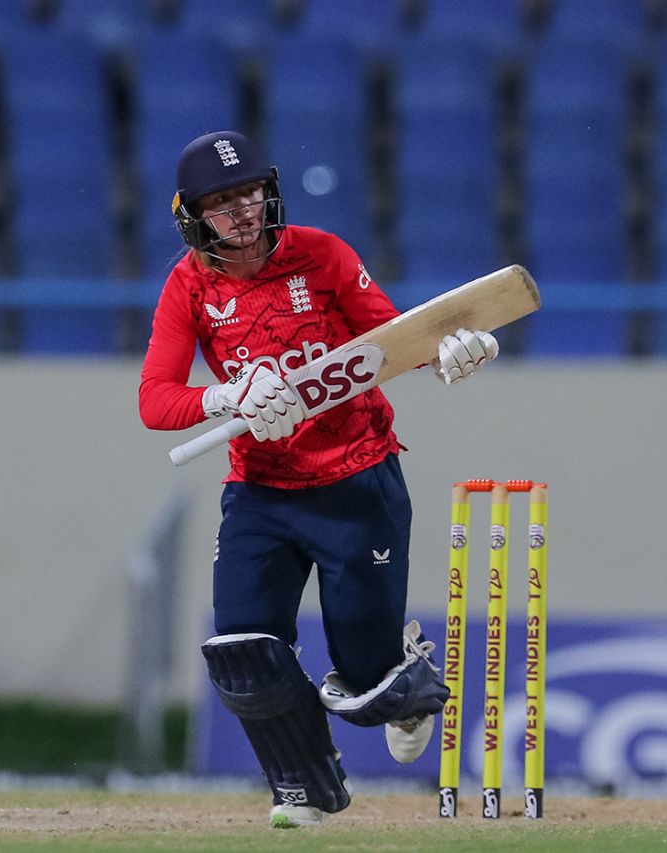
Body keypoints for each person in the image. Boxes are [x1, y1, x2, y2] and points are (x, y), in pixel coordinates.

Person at [138, 131, 499, 828]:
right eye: (222, 201)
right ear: (191, 215)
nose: (243, 211)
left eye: (249, 192)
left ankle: (405, 680)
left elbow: (394, 341)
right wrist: (227, 396)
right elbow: (156, 400)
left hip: (357, 480)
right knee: (239, 648)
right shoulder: (189, 285)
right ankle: (304, 785)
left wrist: (451, 350)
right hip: (261, 492)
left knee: (364, 684)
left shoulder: (322, 254)